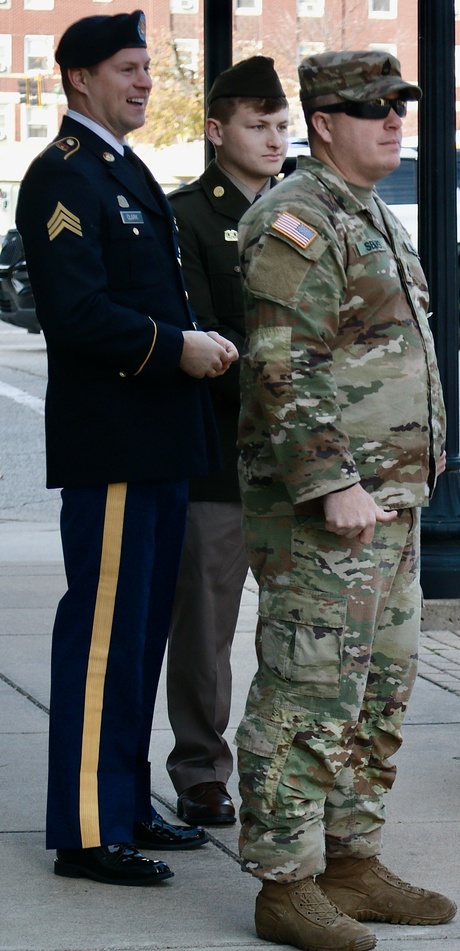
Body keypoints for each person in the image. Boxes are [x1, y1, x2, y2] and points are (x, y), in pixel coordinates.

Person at [14, 9, 238, 887]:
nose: (146, 81)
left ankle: (125, 801)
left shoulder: (119, 166)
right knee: (104, 638)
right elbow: (73, 315)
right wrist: (175, 345)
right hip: (112, 444)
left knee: (142, 635)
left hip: (156, 443)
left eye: (148, 67)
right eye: (129, 67)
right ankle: (86, 830)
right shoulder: (63, 177)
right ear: (79, 77)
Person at [235, 50, 453, 951]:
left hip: (390, 507)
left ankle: (352, 858)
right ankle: (285, 882)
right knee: (307, 686)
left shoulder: (369, 213)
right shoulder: (296, 216)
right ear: (323, 122)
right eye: (374, 109)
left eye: (399, 106)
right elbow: (283, 363)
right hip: (330, 512)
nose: (394, 121)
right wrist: (334, 481)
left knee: (379, 686)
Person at [164, 57, 289, 827]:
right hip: (223, 456)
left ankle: (283, 764)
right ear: (218, 131)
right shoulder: (187, 217)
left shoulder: (310, 208)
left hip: (304, 467)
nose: (274, 139)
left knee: (300, 627)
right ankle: (202, 770)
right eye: (256, 125)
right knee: (206, 630)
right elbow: (208, 339)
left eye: (281, 125)